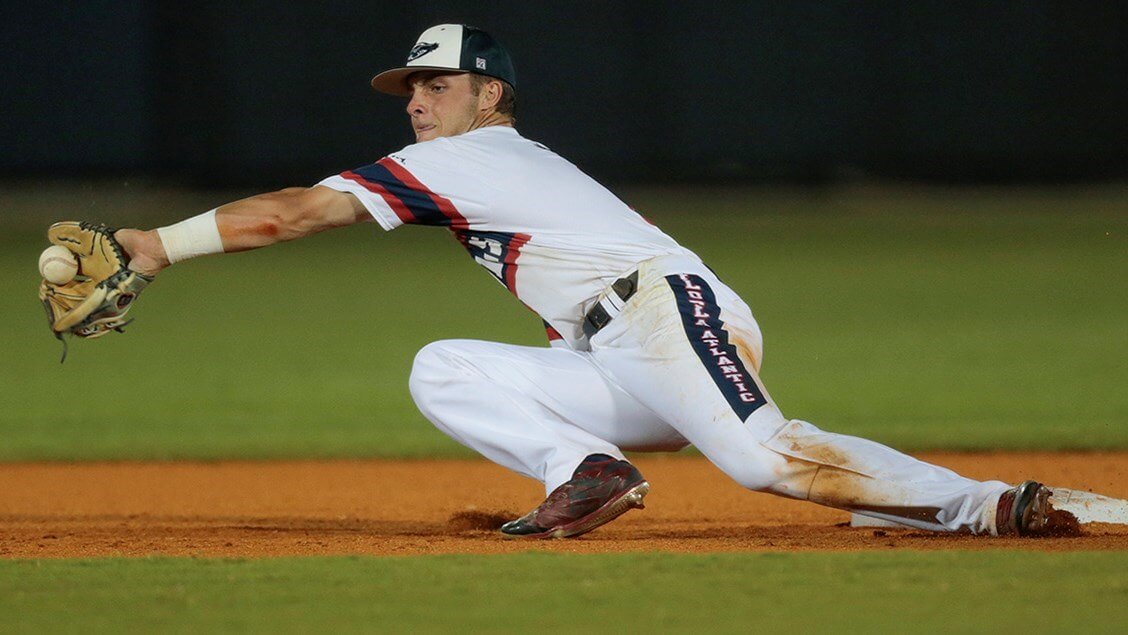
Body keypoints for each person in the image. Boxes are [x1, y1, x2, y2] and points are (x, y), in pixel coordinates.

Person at [114, 24, 1055, 538]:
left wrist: (153, 245)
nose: (415, 101)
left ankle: (987, 503)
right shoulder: (473, 160)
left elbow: (294, 212)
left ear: (490, 96)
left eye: (435, 85)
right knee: (444, 365)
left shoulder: (473, 155)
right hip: (614, 346)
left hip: (663, 309)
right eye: (411, 89)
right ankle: (585, 471)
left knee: (762, 461)